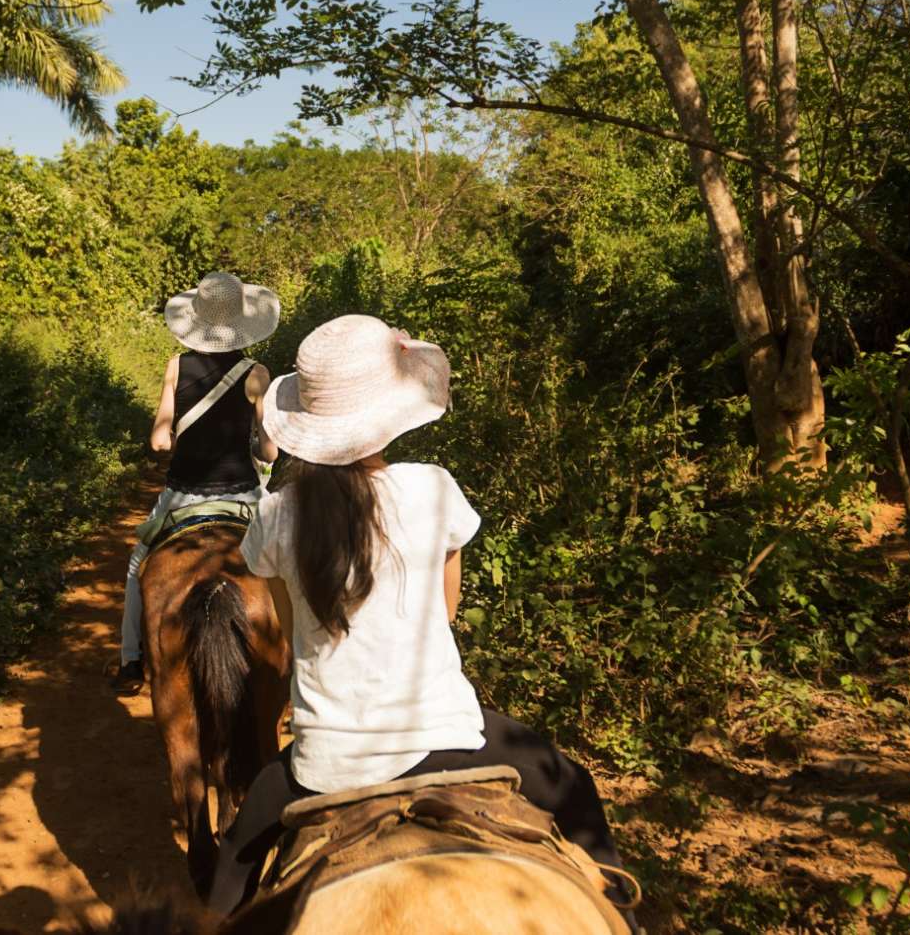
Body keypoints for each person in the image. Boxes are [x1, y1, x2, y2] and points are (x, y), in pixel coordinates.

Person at [207, 313, 632, 919]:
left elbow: (289, 630)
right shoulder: (433, 489)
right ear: (392, 410)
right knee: (577, 789)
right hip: (447, 738)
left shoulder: (274, 515)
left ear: (306, 419)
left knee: (235, 870)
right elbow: (446, 610)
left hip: (327, 762)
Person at [113, 271, 281, 696]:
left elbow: (158, 439)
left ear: (198, 319)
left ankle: (131, 661)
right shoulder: (255, 371)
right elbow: (270, 452)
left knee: (138, 566)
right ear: (242, 320)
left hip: (183, 493)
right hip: (243, 494)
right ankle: (296, 655)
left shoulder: (175, 365)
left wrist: (172, 438)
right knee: (283, 562)